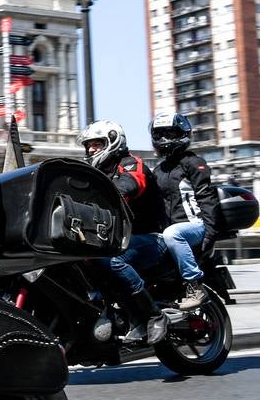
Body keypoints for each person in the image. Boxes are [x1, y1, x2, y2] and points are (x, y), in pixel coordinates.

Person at [79, 119, 169, 344]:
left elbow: (129, 185)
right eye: (88, 145)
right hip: (119, 240)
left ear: (112, 140)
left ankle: (153, 316)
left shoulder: (130, 163)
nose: (91, 149)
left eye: (97, 144)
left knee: (111, 261)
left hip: (152, 238)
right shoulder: (97, 174)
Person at [150, 112, 219, 310]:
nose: (164, 139)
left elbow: (207, 198)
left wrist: (210, 234)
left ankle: (195, 286)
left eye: (170, 134)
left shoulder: (194, 163)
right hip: (170, 231)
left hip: (196, 226)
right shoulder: (159, 170)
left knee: (173, 234)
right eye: (160, 134)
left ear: (182, 134)